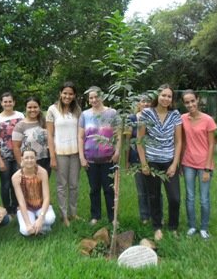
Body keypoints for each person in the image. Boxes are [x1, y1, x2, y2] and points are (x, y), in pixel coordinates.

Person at [137, 84, 182, 241]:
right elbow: (140, 140)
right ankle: (157, 227)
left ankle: (173, 226)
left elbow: (178, 141)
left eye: (169, 96)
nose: (166, 98)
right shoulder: (147, 114)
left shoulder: (175, 114)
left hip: (169, 161)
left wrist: (174, 164)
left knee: (175, 197)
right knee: (154, 196)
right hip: (152, 162)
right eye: (163, 95)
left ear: (172, 99)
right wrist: (144, 164)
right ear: (158, 96)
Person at [78, 86, 119, 225]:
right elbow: (81, 137)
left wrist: (118, 151)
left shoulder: (112, 113)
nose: (94, 99)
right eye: (91, 97)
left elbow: (119, 134)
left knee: (109, 189)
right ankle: (95, 216)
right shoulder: (84, 115)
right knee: (94, 189)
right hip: (91, 159)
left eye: (97, 96)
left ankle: (112, 218)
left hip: (109, 158)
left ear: (102, 97)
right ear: (88, 100)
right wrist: (82, 157)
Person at [181, 90, 217, 239]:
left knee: (204, 198)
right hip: (188, 163)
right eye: (187, 102)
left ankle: (203, 227)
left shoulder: (208, 120)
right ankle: (192, 226)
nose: (190, 105)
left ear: (198, 100)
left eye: (192, 101)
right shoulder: (182, 118)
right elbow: (181, 141)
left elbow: (211, 145)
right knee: (189, 196)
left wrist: (208, 168)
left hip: (204, 165)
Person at [46, 82, 82, 227]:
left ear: (74, 96)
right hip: (60, 152)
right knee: (62, 185)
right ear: (60, 93)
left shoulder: (77, 110)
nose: (67, 96)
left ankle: (73, 213)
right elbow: (49, 135)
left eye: (70, 94)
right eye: (65, 93)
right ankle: (64, 215)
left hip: (75, 152)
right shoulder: (52, 110)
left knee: (74, 185)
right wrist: (52, 156)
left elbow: (81, 132)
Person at [0, 92, 25, 216]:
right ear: (1, 103)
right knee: (5, 183)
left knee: (17, 181)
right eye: (5, 101)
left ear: (14, 102)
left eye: (10, 101)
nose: (8, 103)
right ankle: (7, 208)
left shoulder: (20, 115)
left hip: (19, 154)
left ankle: (16, 207)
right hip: (4, 155)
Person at [126, 94, 157, 224]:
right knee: (141, 191)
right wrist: (127, 161)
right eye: (143, 102)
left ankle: (156, 215)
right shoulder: (131, 119)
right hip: (136, 159)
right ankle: (144, 217)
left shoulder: (155, 118)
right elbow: (127, 141)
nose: (145, 104)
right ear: (138, 104)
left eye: (148, 102)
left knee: (155, 190)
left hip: (153, 158)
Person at [12, 149, 56, 236]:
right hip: (26, 207)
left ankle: (39, 224)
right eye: (26, 158)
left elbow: (47, 197)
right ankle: (42, 228)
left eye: (32, 158)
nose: (29, 160)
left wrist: (41, 217)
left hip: (41, 206)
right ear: (22, 159)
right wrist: (28, 224)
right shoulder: (16, 177)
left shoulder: (42, 172)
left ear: (36, 159)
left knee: (50, 219)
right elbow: (21, 202)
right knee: (25, 231)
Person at [13, 97, 50, 177]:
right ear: (25, 108)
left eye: (35, 107)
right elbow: (16, 147)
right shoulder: (20, 126)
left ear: (39, 108)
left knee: (43, 186)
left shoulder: (44, 123)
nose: (32, 110)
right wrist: (21, 164)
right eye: (30, 107)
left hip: (45, 160)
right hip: (28, 162)